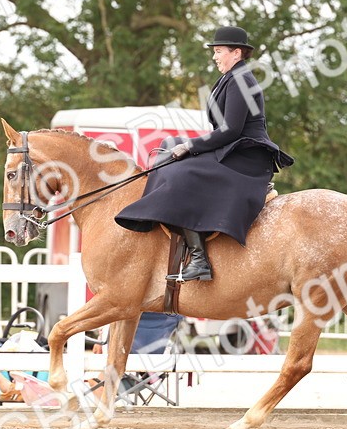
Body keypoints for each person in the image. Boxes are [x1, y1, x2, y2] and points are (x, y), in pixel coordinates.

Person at [115, 26, 294, 281]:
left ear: (237, 52)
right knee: (168, 145)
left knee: (180, 175)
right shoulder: (229, 77)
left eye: (219, 51)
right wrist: (183, 144)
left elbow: (231, 130)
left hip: (246, 156)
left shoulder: (242, 80)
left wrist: (190, 146)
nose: (215, 57)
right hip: (233, 148)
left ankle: (199, 259)